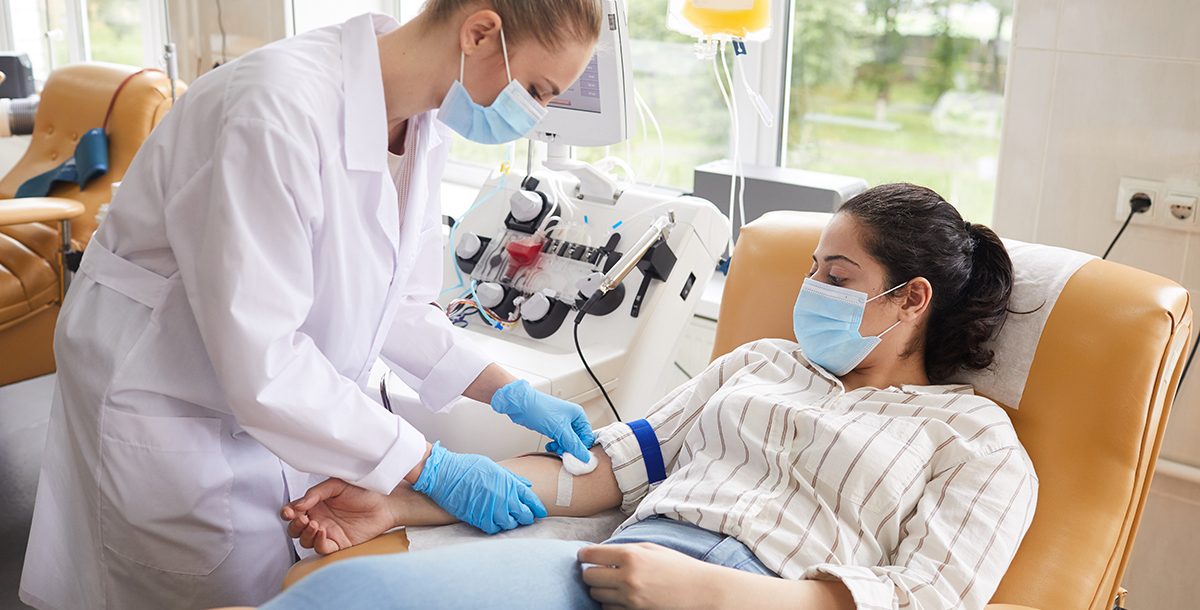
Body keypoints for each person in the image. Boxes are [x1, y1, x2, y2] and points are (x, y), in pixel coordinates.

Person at [19, 2, 605, 609]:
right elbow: (263, 357)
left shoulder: (421, 124)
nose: (533, 115)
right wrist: (430, 468)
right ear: (481, 33)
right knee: (196, 594)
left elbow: (400, 303)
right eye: (536, 90)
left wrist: (504, 389)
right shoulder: (273, 108)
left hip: (258, 409)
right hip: (174, 402)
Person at [267, 183, 1039, 610]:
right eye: (810, 269)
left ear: (911, 302)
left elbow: (931, 600)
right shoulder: (760, 365)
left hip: (754, 601)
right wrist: (411, 498)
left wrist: (717, 595)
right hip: (618, 566)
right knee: (350, 595)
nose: (809, 291)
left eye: (838, 279)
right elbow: (596, 472)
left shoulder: (973, 439)